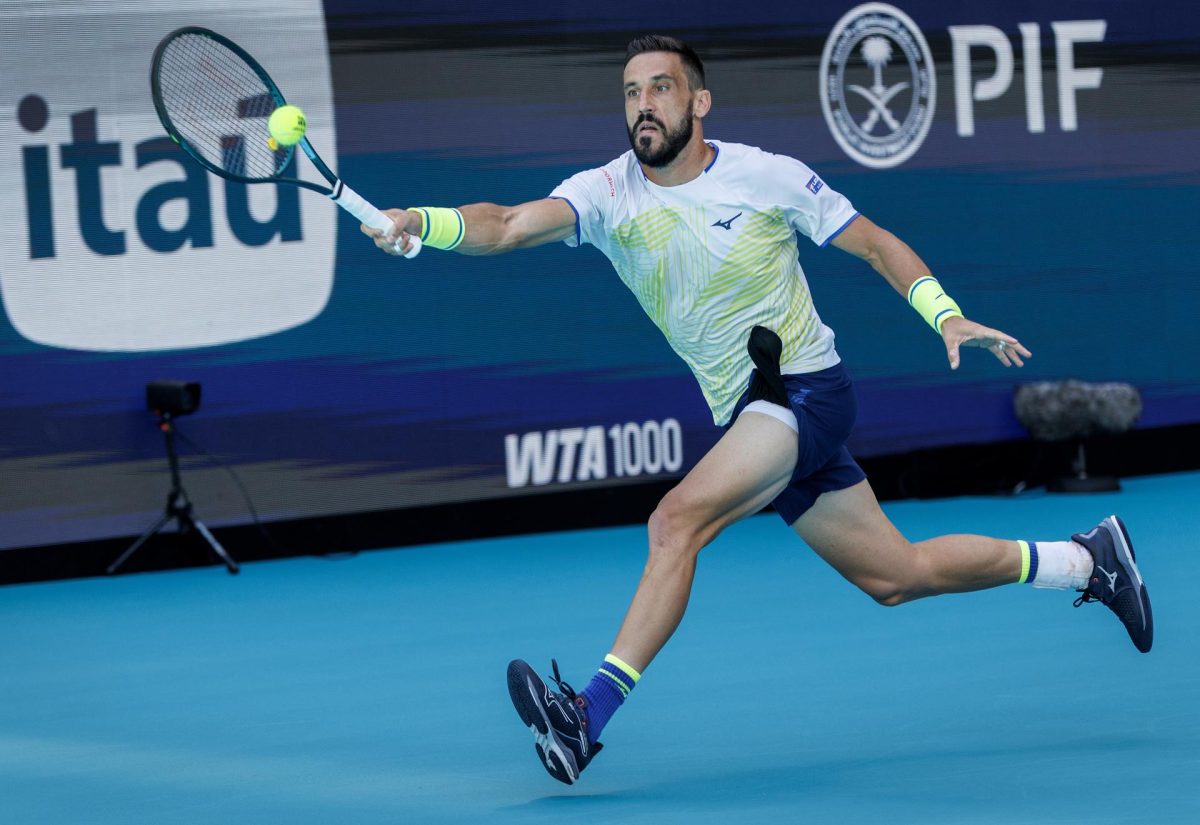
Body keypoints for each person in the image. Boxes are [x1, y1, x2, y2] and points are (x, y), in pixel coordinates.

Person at [364, 35, 1153, 785]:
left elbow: (875, 243)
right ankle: (1087, 560)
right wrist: (419, 225)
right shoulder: (605, 192)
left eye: (661, 89)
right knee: (895, 575)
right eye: (632, 92)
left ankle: (584, 717)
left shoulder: (765, 176)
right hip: (752, 413)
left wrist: (943, 313)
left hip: (801, 391)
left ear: (699, 101)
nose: (644, 105)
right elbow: (502, 226)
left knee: (677, 521)